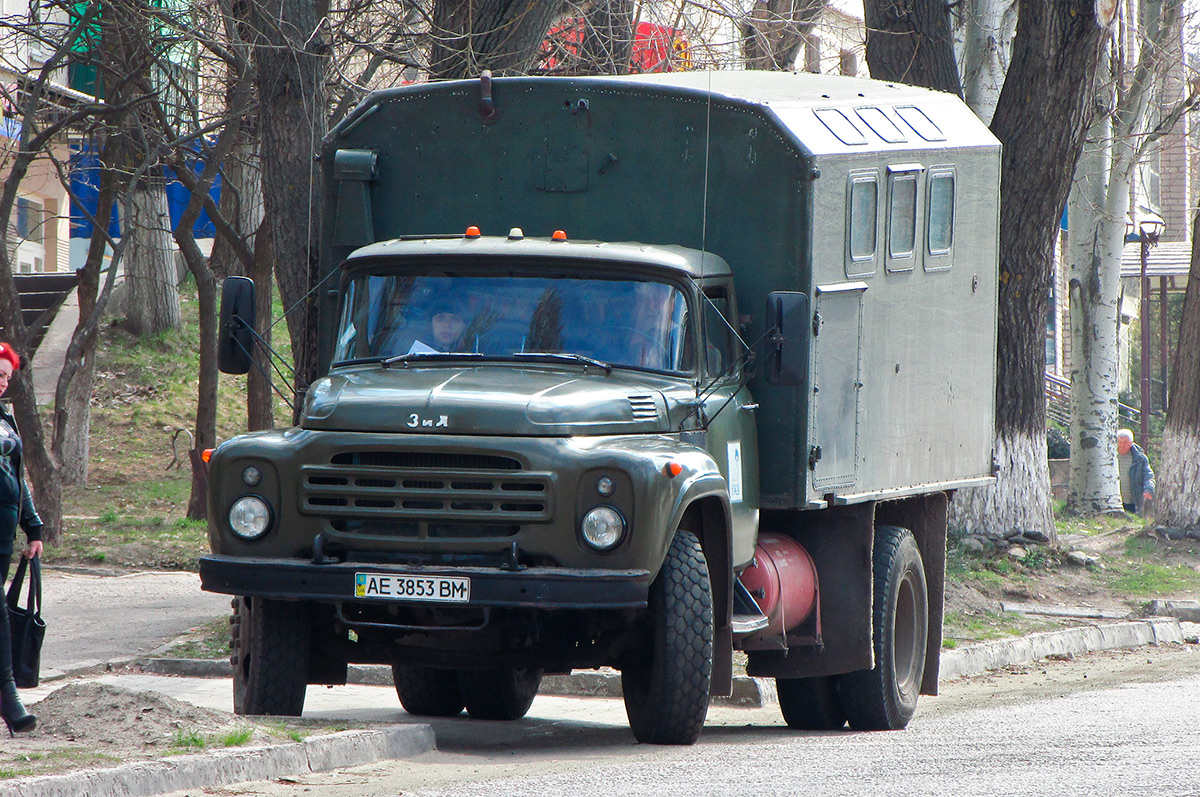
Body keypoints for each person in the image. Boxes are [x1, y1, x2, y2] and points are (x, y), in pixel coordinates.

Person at [0, 343, 40, 734]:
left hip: (3, 535)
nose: (2, 383)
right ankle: (8, 695)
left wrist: (34, 527)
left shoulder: (5, 418)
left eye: (6, 378)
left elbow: (18, 476)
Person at [1117, 428, 1155, 515]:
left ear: (1131, 443)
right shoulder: (1110, 455)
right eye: (1120, 442)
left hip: (1132, 502)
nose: (1122, 445)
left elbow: (1149, 476)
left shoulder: (1140, 459)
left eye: (1125, 442)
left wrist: (1149, 489)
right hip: (1113, 501)